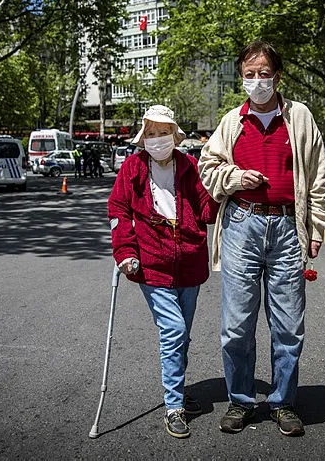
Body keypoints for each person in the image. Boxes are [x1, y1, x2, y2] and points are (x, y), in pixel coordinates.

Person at [199, 40, 325, 437]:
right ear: (241, 77)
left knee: (288, 325)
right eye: (249, 74)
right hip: (242, 226)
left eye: (264, 73)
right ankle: (241, 400)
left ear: (277, 75)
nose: (257, 81)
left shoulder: (301, 117)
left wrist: (316, 230)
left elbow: (317, 178)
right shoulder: (231, 122)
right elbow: (208, 169)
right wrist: (235, 177)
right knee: (237, 325)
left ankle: (283, 402)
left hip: (288, 228)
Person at [108, 105, 218, 439]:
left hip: (189, 262)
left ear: (175, 136)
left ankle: (179, 389)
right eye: (151, 134)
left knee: (182, 333)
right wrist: (125, 252)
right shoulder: (133, 167)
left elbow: (207, 211)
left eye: (163, 133)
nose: (157, 140)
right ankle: (173, 405)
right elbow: (118, 209)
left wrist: (220, 185)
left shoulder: (190, 166)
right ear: (144, 139)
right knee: (172, 330)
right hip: (151, 263)